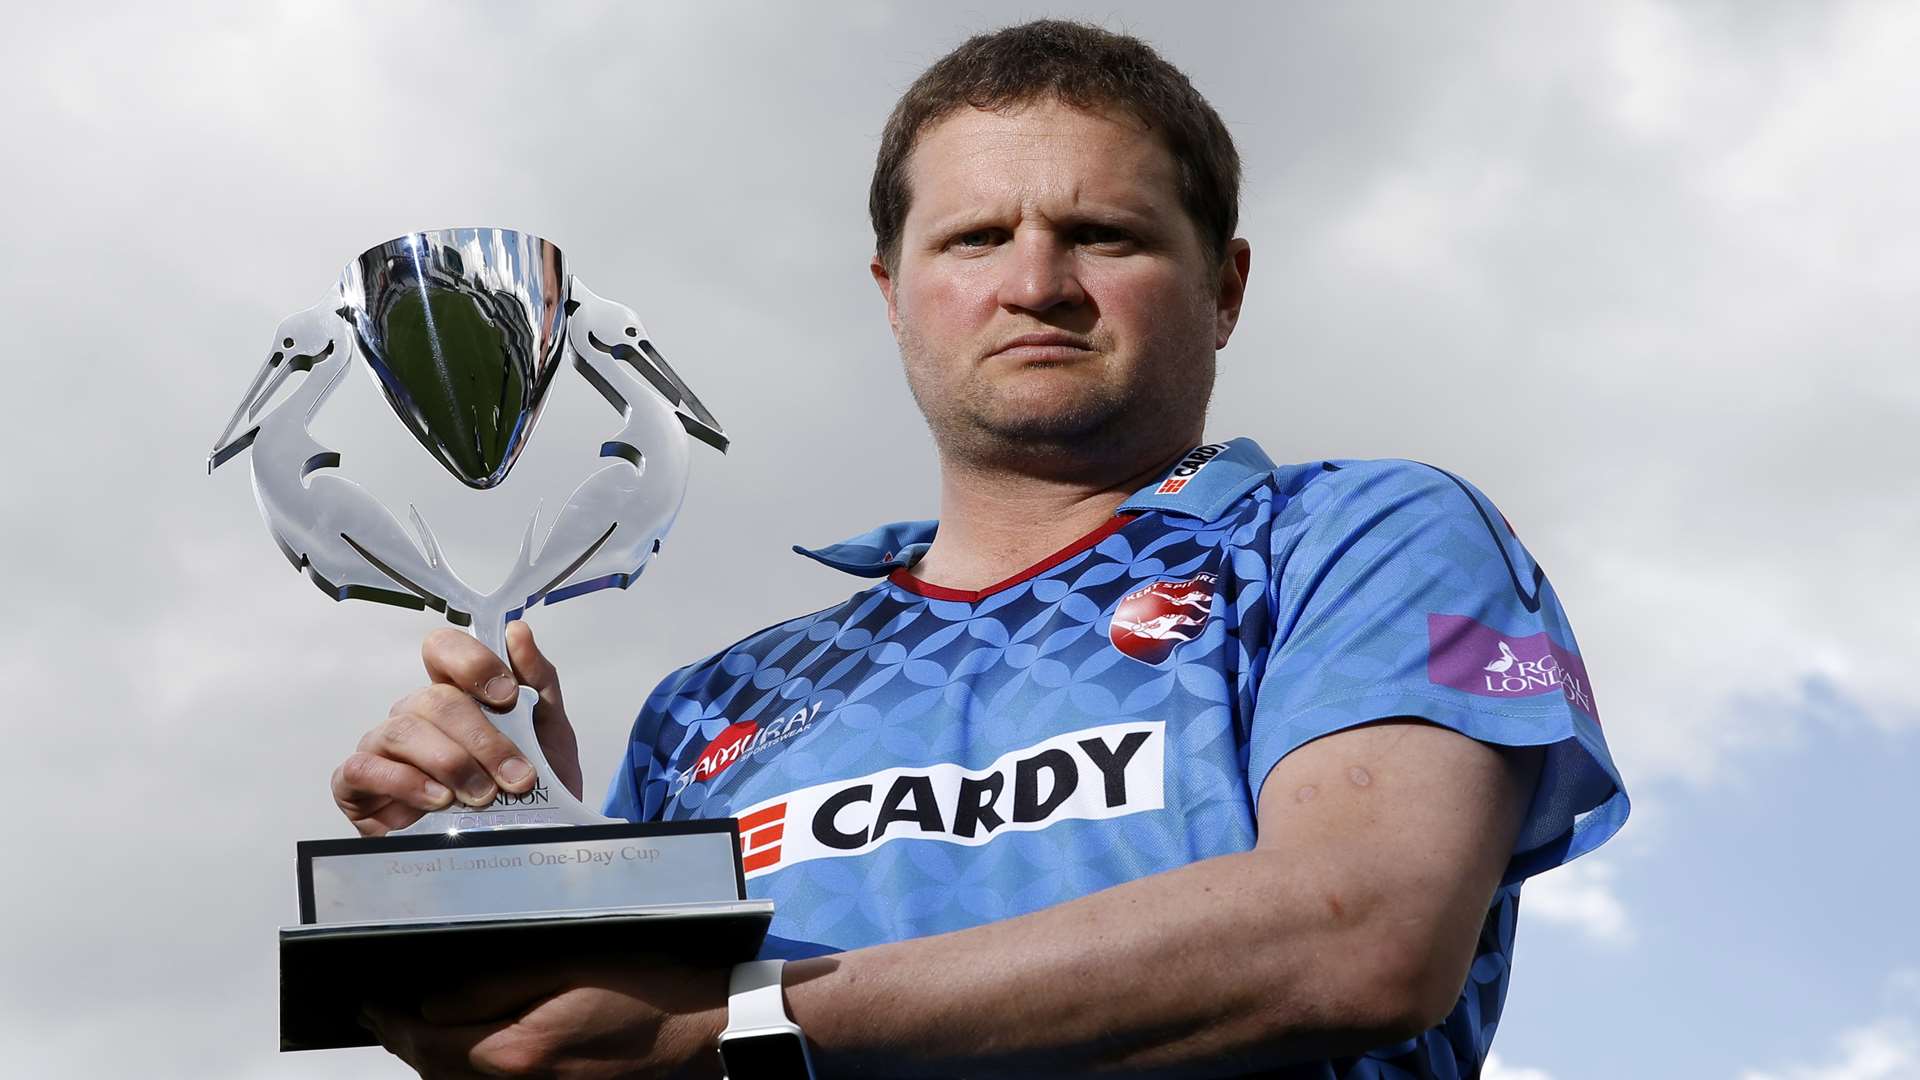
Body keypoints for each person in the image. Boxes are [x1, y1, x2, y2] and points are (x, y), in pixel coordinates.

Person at [334, 19, 1627, 1079]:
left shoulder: (1363, 539)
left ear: (1225, 286)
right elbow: (613, 1055)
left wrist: (746, 1020)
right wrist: (520, 871)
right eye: (974, 238)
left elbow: (1362, 935)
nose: (1036, 282)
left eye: (1103, 235)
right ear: (894, 293)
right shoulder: (712, 710)